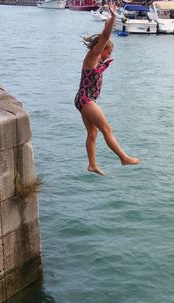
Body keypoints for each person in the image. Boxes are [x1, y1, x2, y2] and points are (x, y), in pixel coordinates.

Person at [74, 2, 140, 176]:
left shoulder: (98, 61)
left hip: (84, 99)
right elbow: (105, 36)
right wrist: (112, 17)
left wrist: (106, 63)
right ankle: (123, 158)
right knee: (106, 129)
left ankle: (92, 165)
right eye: (107, 52)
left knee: (93, 133)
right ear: (101, 49)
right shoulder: (92, 56)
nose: (108, 55)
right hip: (85, 99)